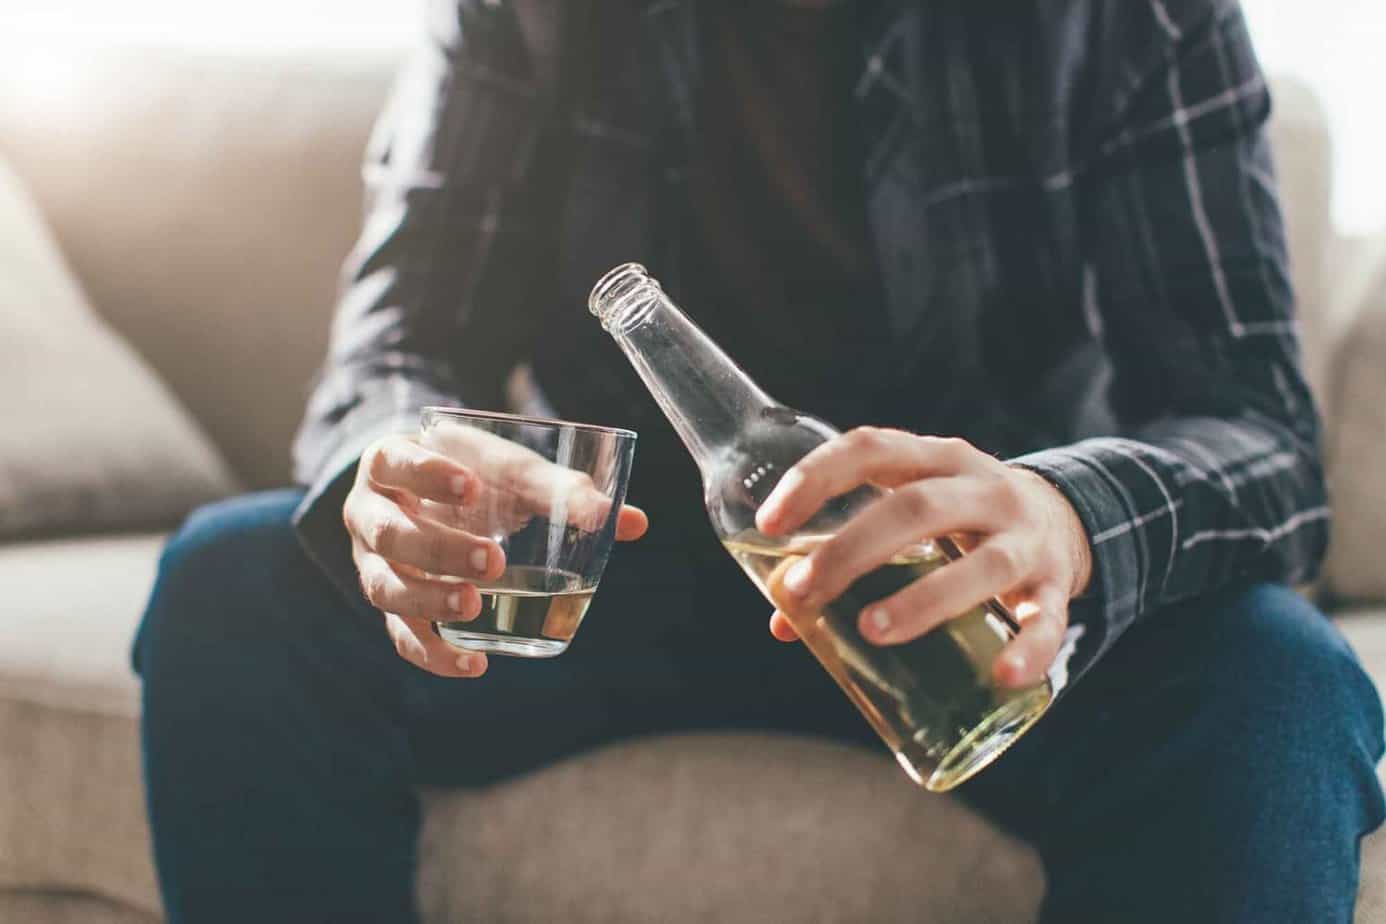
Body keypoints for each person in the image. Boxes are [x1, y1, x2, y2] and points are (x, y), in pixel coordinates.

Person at [133, 1, 1386, 921]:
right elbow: (398, 343)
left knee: (1275, 679)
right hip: (623, 568)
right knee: (232, 585)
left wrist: (1063, 512)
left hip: (981, 596)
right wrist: (398, 467)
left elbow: (1257, 428)